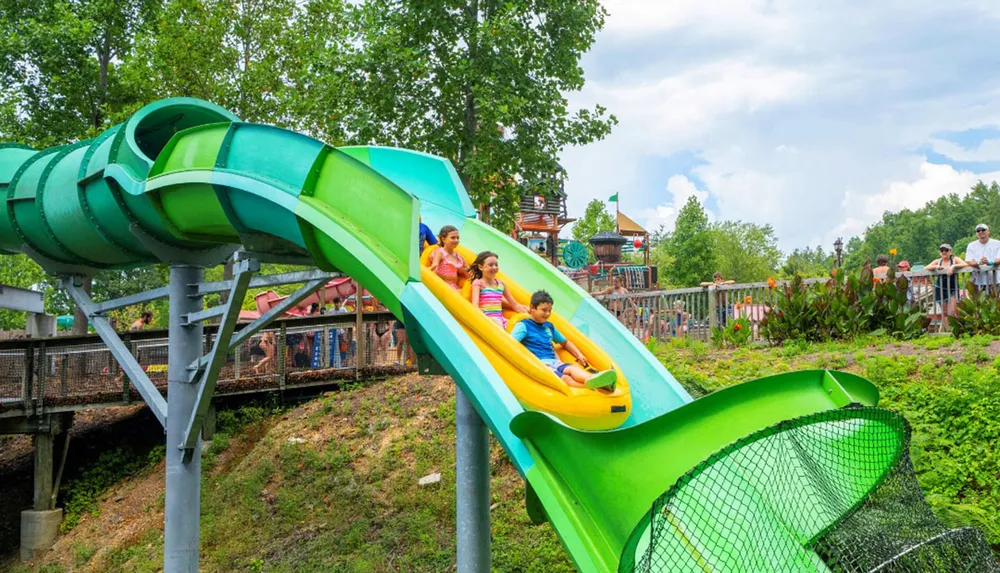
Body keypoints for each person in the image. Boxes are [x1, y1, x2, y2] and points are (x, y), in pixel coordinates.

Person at [512, 290, 616, 390]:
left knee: (573, 368)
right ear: (532, 308)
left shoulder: (549, 327)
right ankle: (598, 386)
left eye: (549, 310)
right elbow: (510, 343)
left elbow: (565, 342)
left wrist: (578, 354)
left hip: (555, 362)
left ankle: (596, 379)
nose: (547, 314)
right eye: (544, 310)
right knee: (566, 379)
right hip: (541, 365)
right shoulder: (524, 326)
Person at [469, 250, 528, 329]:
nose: (494, 267)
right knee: (496, 321)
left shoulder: (501, 284)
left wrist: (529, 317)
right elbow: (475, 306)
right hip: (487, 319)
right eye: (490, 265)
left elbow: (515, 305)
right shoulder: (478, 283)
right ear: (480, 267)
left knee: (521, 326)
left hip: (500, 320)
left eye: (496, 265)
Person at [925, 244, 967, 332]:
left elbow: (964, 264)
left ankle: (958, 329)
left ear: (950, 251)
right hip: (940, 288)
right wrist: (936, 267)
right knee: (944, 312)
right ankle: (948, 331)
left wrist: (953, 266)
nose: (944, 252)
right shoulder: (938, 261)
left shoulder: (954, 259)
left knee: (953, 311)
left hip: (953, 288)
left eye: (946, 250)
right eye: (942, 250)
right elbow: (926, 267)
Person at [429, 225, 468, 290]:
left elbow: (469, 273)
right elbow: (434, 267)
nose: (456, 240)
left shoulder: (459, 257)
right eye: (453, 238)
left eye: (457, 238)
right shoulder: (440, 253)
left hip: (453, 287)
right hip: (441, 285)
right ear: (443, 239)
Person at [965, 223, 1000, 295]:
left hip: (995, 280)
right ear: (976, 233)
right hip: (977, 281)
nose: (981, 232)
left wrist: (989, 262)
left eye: (983, 230)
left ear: (988, 232)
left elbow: (999, 259)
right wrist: (979, 263)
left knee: (996, 304)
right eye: (978, 231)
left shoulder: (997, 243)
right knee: (978, 304)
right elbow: (968, 261)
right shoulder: (971, 245)